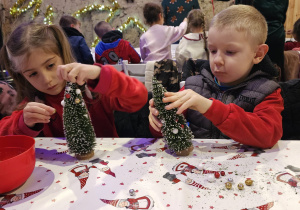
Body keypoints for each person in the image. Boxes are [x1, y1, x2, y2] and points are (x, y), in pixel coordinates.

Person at [148, 5, 284, 149]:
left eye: (230, 52)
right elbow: (173, 130)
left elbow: (268, 135)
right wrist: (161, 119)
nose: (217, 60)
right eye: (213, 51)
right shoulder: (194, 85)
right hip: (197, 167)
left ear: (258, 54)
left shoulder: (267, 91)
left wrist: (209, 107)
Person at [0, 22, 148, 137]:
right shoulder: (33, 104)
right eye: (32, 74)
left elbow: (139, 97)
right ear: (21, 76)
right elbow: (4, 133)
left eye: (50, 65)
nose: (47, 80)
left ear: (63, 55)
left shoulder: (93, 89)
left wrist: (99, 74)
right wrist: (23, 123)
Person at [235, 0, 289, 74]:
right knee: (274, 71)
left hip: (251, 33)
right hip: (276, 34)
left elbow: (239, 12)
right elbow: (283, 16)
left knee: (248, 72)